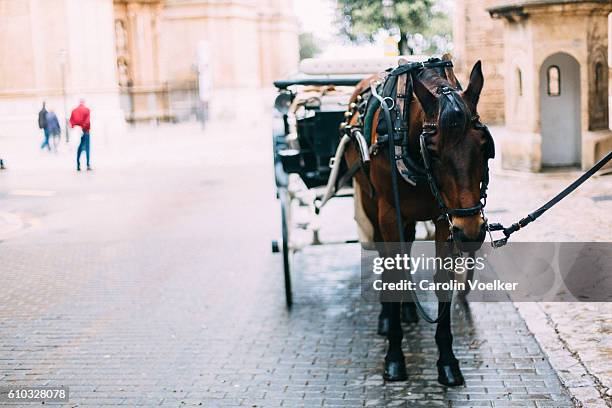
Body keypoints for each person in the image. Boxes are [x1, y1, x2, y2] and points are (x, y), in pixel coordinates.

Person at [69, 99, 91, 171]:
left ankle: (78, 165)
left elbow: (71, 122)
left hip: (77, 132)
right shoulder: (87, 110)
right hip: (85, 131)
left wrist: (76, 127)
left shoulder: (74, 110)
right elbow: (87, 122)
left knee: (79, 149)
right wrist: (83, 127)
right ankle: (87, 164)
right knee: (87, 148)